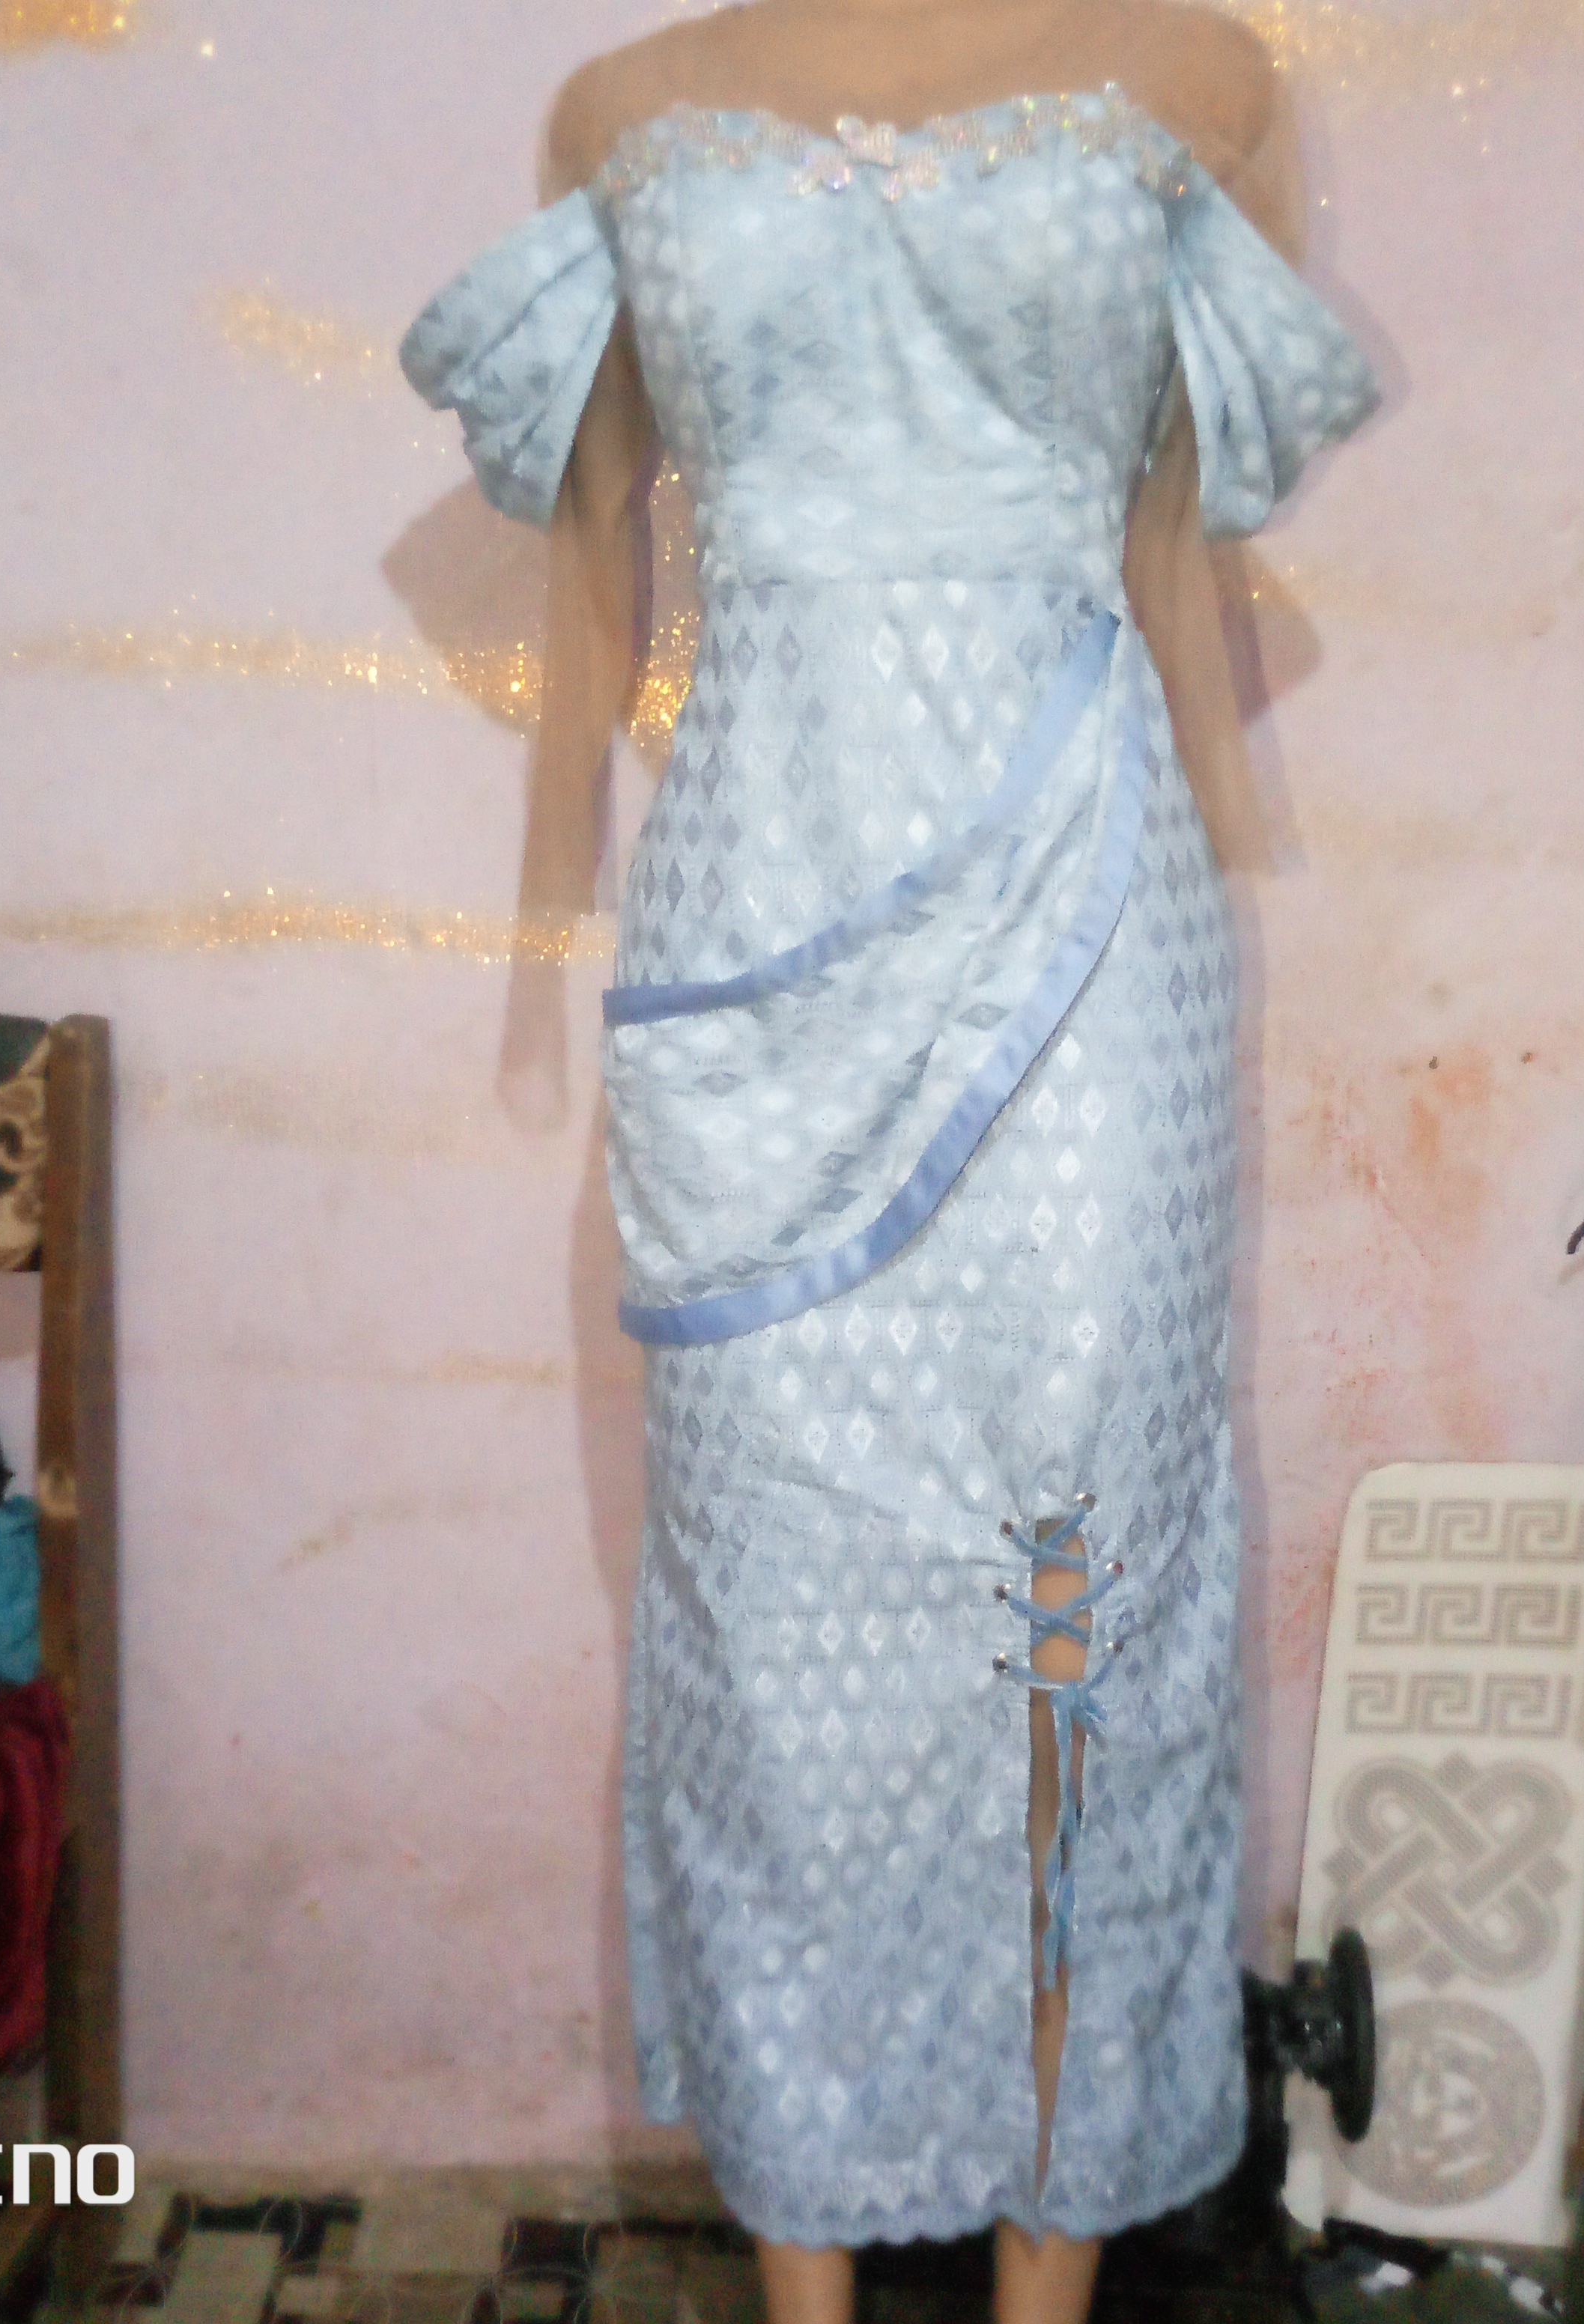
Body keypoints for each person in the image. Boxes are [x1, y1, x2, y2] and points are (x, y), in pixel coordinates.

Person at [401, 3, 1375, 2317]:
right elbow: (599, 561)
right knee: (770, 1628)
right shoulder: (624, 111)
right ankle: (806, 2281)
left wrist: (1228, 898)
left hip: (1093, 925)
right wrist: (553, 915)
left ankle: (1052, 2278)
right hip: (753, 906)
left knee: (1090, 1594)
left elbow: (1171, 543)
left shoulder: (1200, 79)